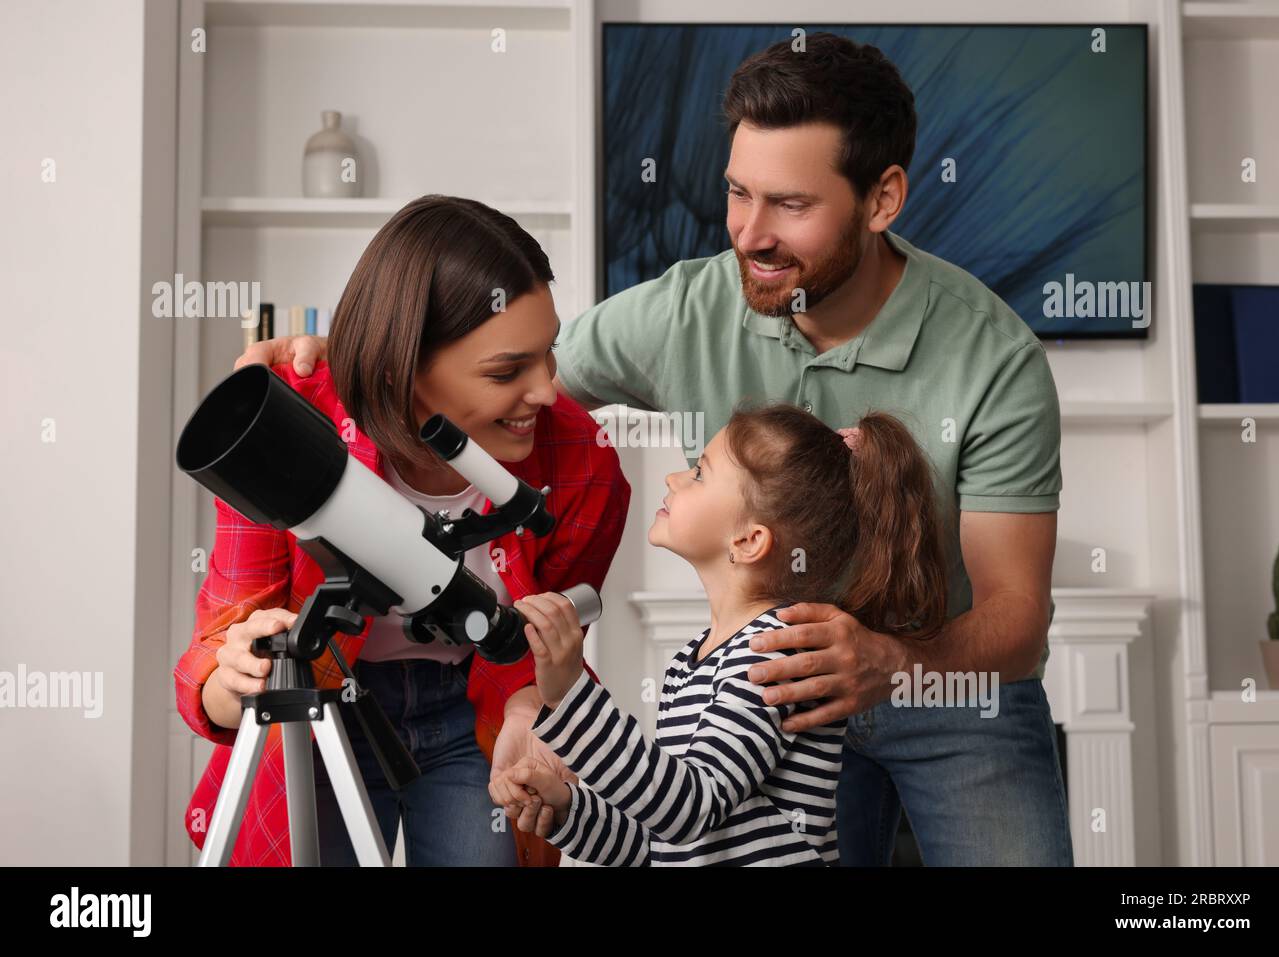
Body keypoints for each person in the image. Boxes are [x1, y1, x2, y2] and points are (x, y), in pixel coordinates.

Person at [238, 32, 1071, 865]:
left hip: (948, 688)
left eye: (791, 204)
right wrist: (336, 375)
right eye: (737, 194)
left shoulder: (991, 356)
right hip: (774, 689)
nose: (748, 233)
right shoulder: (687, 308)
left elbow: (1017, 620)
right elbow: (506, 378)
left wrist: (891, 661)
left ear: (883, 198)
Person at [174, 195, 631, 866]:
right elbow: (216, 647)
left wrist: (531, 704)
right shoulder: (288, 426)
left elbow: (547, 645)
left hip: (471, 721)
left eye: (548, 355)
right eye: (508, 370)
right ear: (401, 366)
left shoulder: (578, 460)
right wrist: (233, 679)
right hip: (320, 703)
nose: (545, 391)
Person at [497, 405, 947, 865]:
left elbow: (689, 810)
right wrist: (570, 809)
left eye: (698, 473)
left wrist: (573, 695)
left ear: (748, 541)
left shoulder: (780, 650)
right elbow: (668, 845)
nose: (674, 478)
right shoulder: (691, 662)